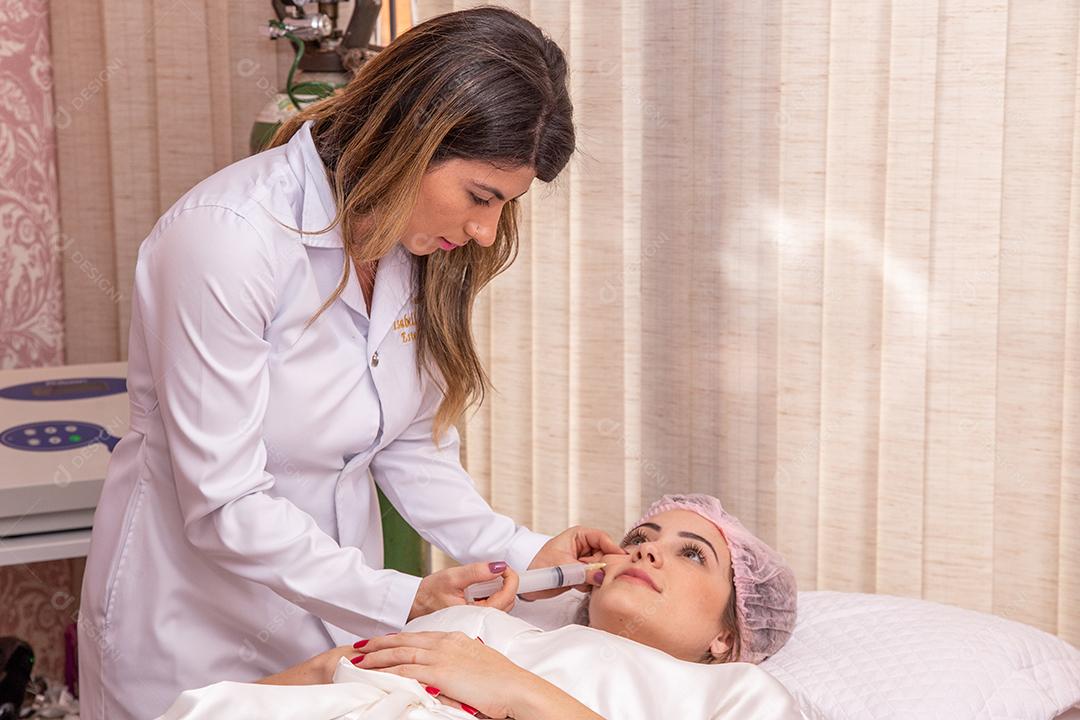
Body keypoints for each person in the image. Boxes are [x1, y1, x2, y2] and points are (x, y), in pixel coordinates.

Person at [78, 8, 623, 719]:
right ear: (410, 136)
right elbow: (224, 503)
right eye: (480, 197)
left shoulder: (415, 245)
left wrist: (527, 557)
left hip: (336, 625)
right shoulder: (229, 238)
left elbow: (408, 449)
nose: (486, 230)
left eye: (505, 205)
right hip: (191, 625)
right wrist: (400, 597)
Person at [160, 494, 802, 719]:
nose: (645, 553)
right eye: (638, 539)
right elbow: (317, 677)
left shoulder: (738, 695)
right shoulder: (484, 626)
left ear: (729, 632)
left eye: (693, 555)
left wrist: (514, 690)